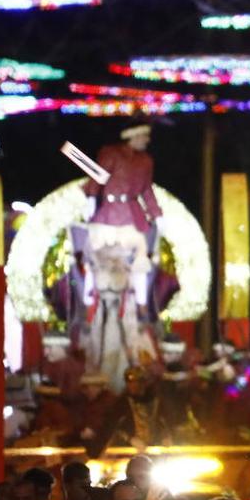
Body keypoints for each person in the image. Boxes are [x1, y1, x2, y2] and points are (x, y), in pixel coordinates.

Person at [81, 124, 162, 390]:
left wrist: (156, 213)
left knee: (141, 259)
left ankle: (140, 304)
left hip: (130, 216)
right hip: (107, 217)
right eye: (142, 136)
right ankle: (88, 297)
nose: (146, 141)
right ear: (130, 135)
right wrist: (90, 202)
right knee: (93, 258)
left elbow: (147, 190)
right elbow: (96, 180)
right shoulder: (110, 153)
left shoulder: (145, 161)